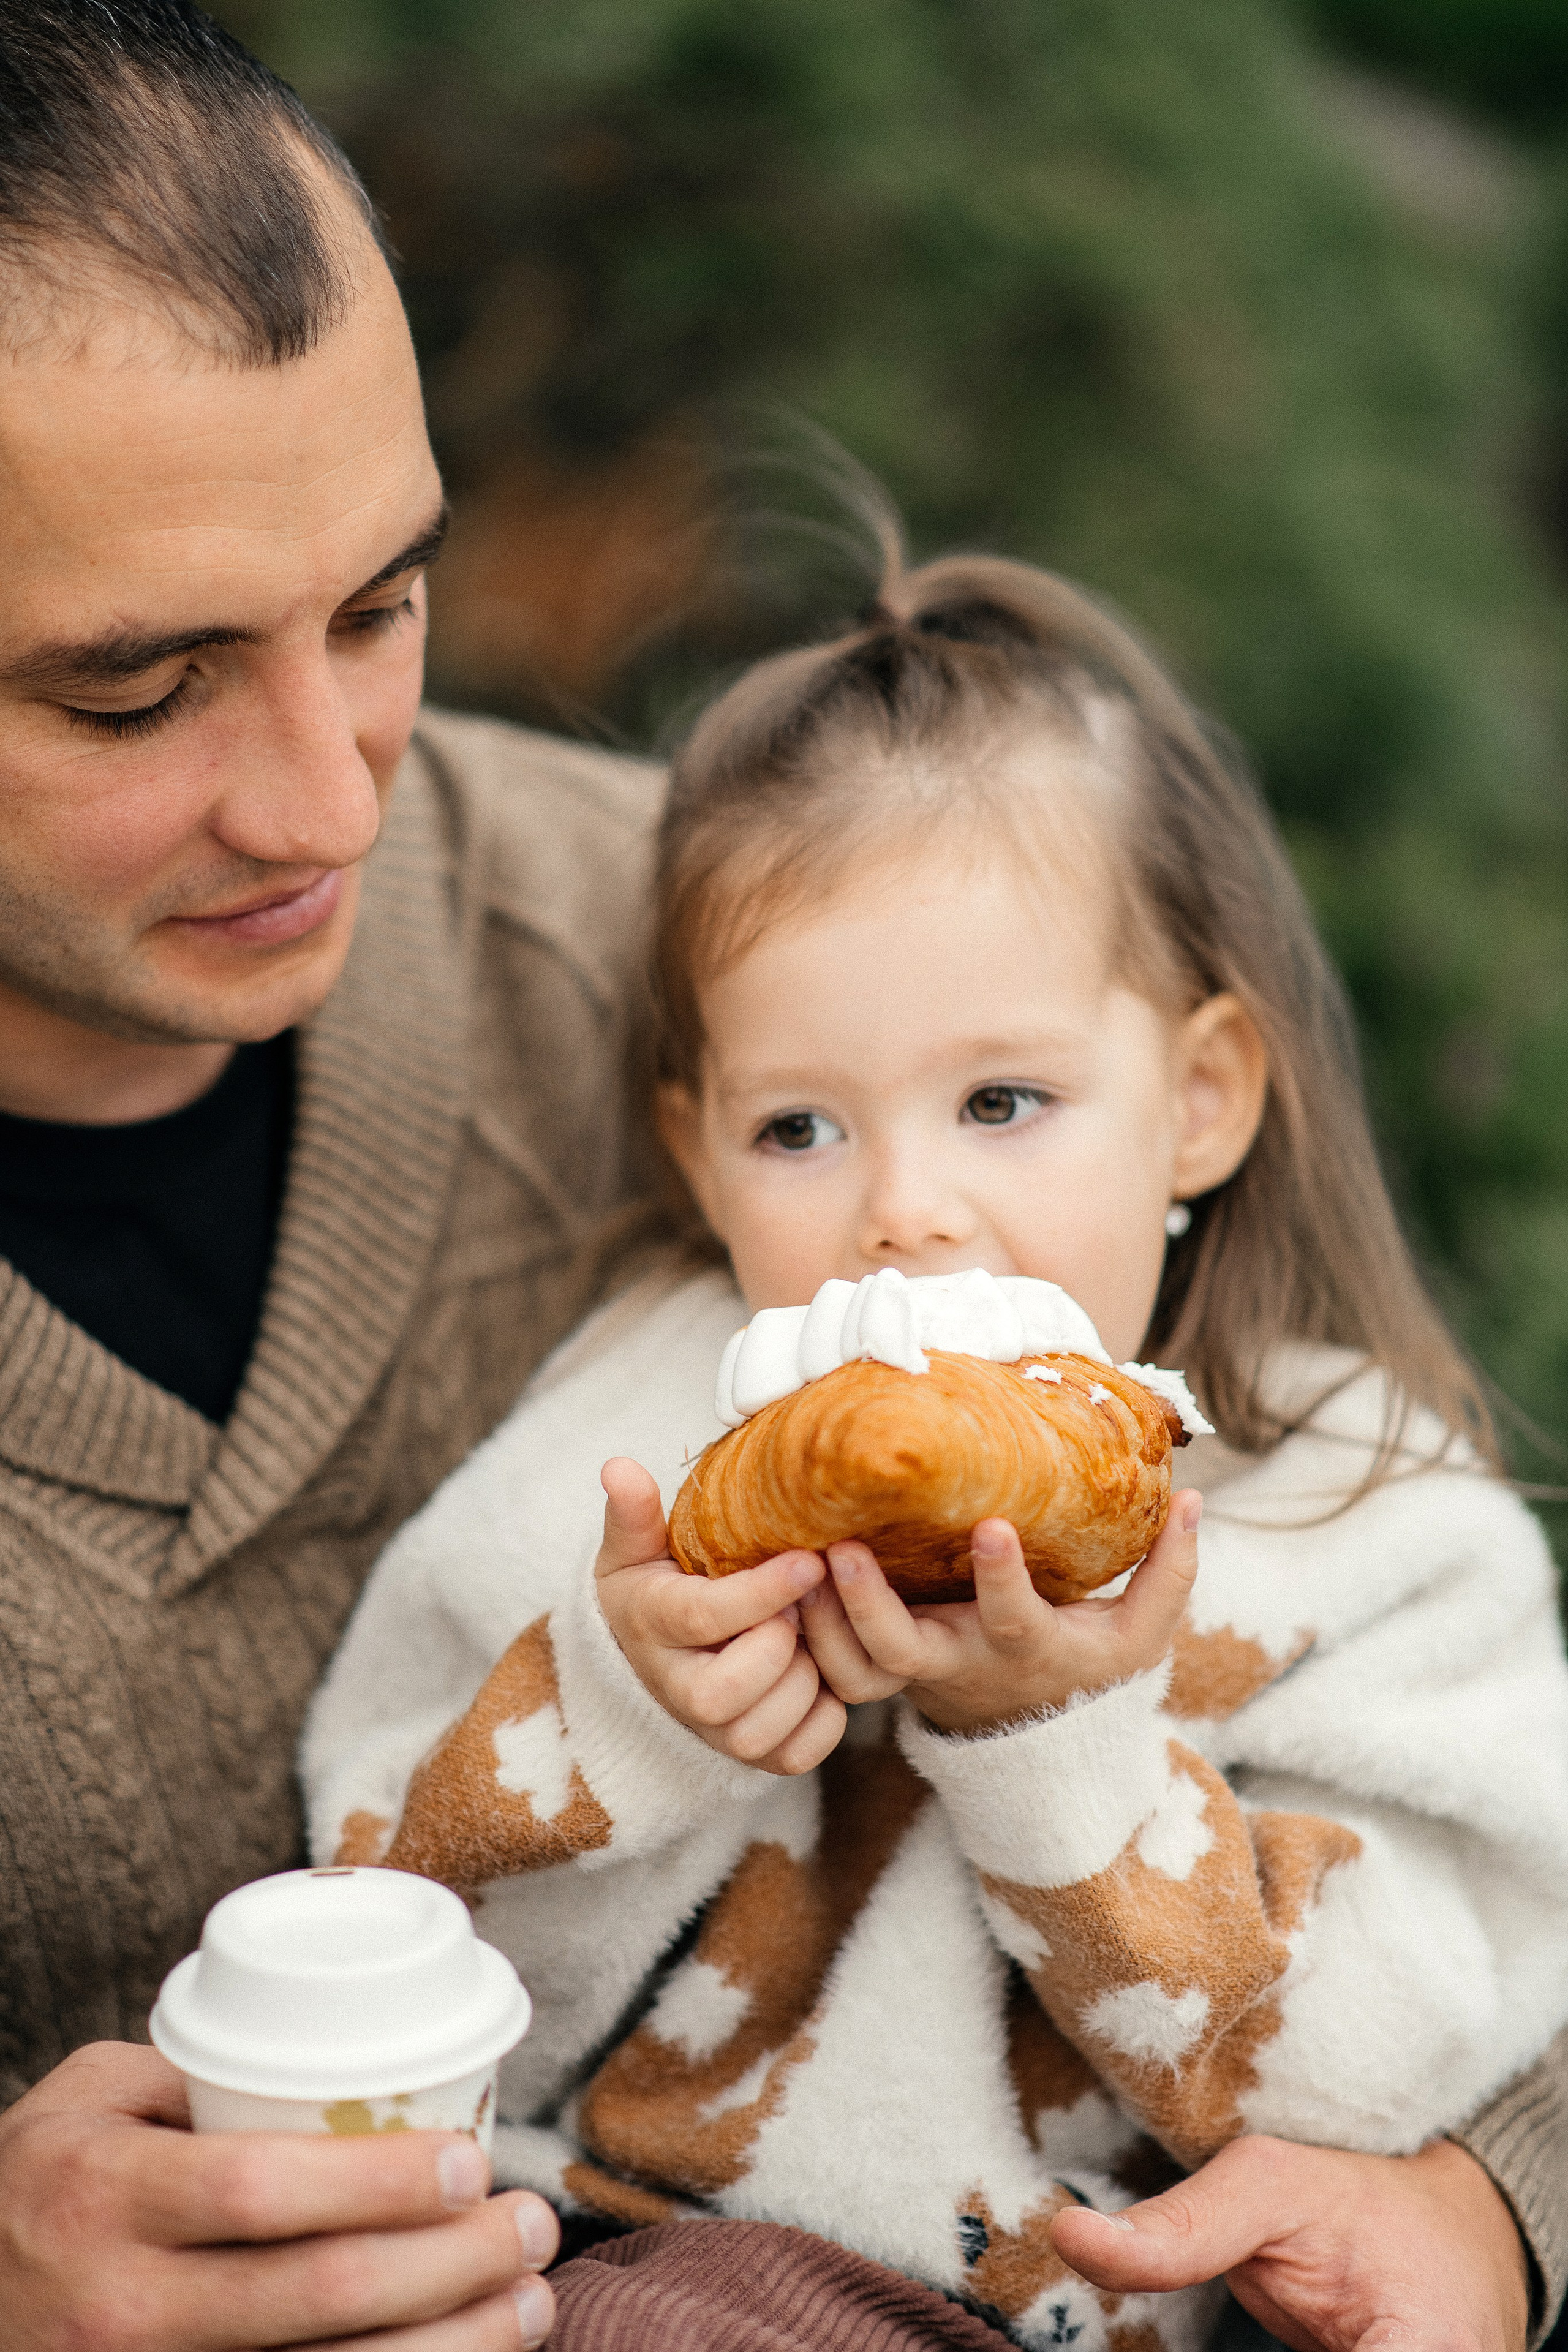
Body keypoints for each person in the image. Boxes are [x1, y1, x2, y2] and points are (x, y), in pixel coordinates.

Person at [0, 6, 1560, 2350]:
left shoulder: (737, 935)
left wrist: (1508, 2205)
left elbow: (1462, 1932)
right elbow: (401, 1865)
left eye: (385, 605)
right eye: (139, 691)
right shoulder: (670, 1334)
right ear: (701, 1142)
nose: (336, 805)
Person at [304, 541, 1568, 2350]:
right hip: (610, 2264)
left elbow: (1383, 2082)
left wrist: (1059, 1753)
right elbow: (376, 1937)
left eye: (1002, 1101)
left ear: (1200, 1099)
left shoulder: (1375, 1522)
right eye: (801, 1125)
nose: (908, 1210)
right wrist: (626, 1712)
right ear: (694, 1146)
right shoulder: (639, 1444)